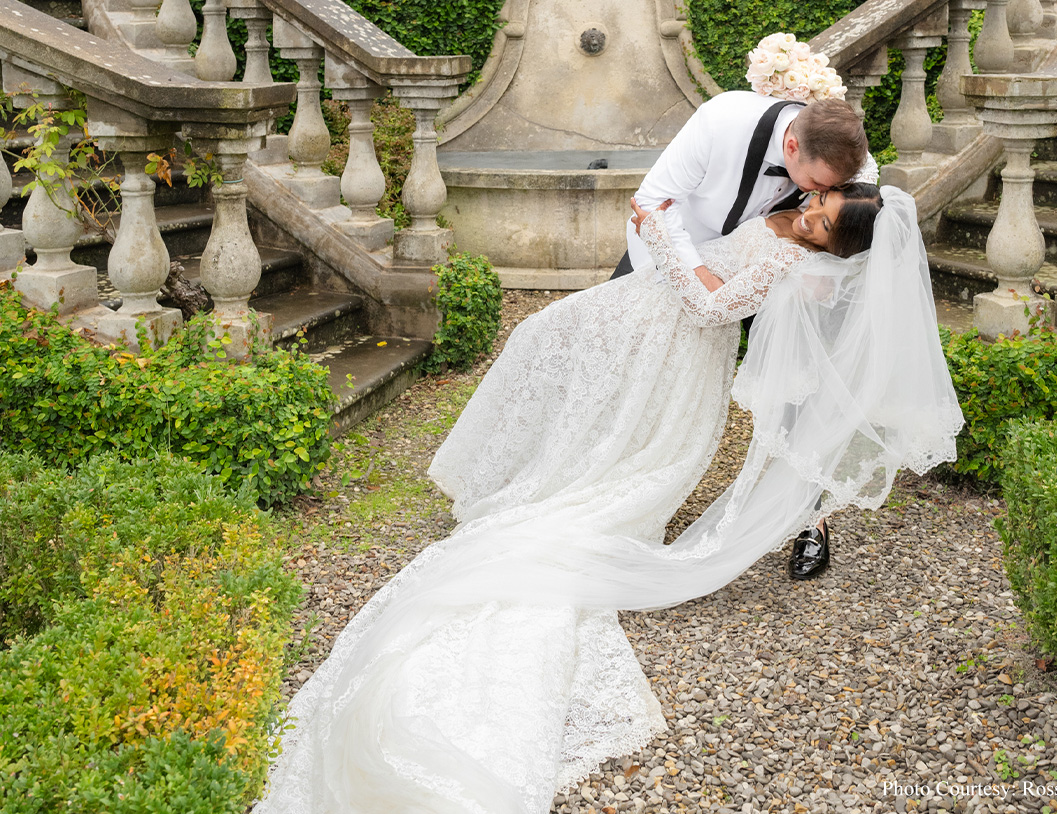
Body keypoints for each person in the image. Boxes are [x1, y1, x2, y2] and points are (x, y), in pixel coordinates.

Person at [253, 184, 962, 814]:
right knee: (550, 359)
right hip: (654, 323)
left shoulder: (792, 263)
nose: (805, 216)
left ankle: (550, 491)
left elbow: (713, 303)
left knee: (606, 455)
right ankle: (520, 472)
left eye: (818, 222)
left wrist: (660, 232)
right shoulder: (795, 207)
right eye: (815, 204)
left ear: (835, 245)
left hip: (682, 357)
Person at [614, 92, 879, 581]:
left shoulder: (837, 153)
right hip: (675, 251)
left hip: (772, 271)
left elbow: (862, 207)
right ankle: (617, 486)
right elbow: (650, 202)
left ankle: (808, 518)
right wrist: (699, 272)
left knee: (801, 382)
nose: (821, 194)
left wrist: (827, 262)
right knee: (622, 362)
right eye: (819, 186)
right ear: (793, 146)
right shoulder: (722, 122)